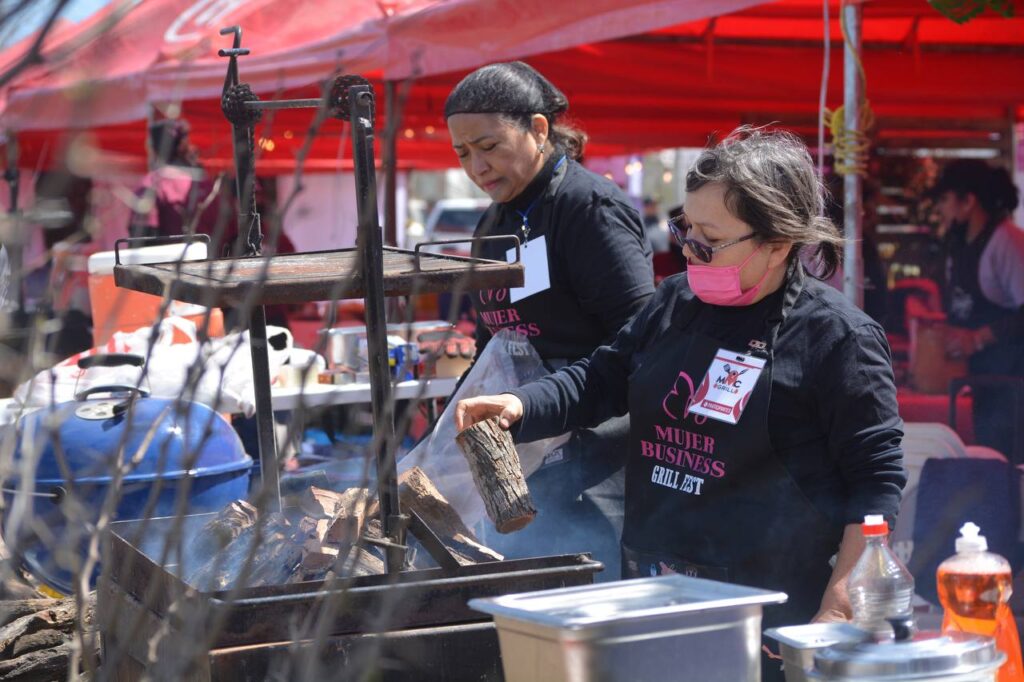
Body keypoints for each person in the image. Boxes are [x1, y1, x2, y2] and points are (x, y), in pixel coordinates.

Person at [456, 127, 906, 681]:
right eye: (685, 229)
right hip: (655, 587)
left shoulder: (837, 338)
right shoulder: (674, 302)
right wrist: (519, 406)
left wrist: (839, 604)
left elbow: (876, 487)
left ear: (778, 241)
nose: (689, 249)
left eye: (709, 240)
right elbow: (602, 378)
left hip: (767, 613)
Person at [445, 62, 655, 579]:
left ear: (539, 129)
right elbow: (494, 335)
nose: (477, 165)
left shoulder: (588, 208)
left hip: (597, 456)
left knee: (590, 608)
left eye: (489, 146)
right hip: (521, 455)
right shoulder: (492, 223)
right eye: (463, 153)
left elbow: (641, 341)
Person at [931, 159, 1024, 461]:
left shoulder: (1006, 241)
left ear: (968, 201)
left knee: (1006, 461)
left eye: (945, 200)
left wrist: (979, 337)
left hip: (1011, 384)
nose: (940, 209)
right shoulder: (959, 247)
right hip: (980, 380)